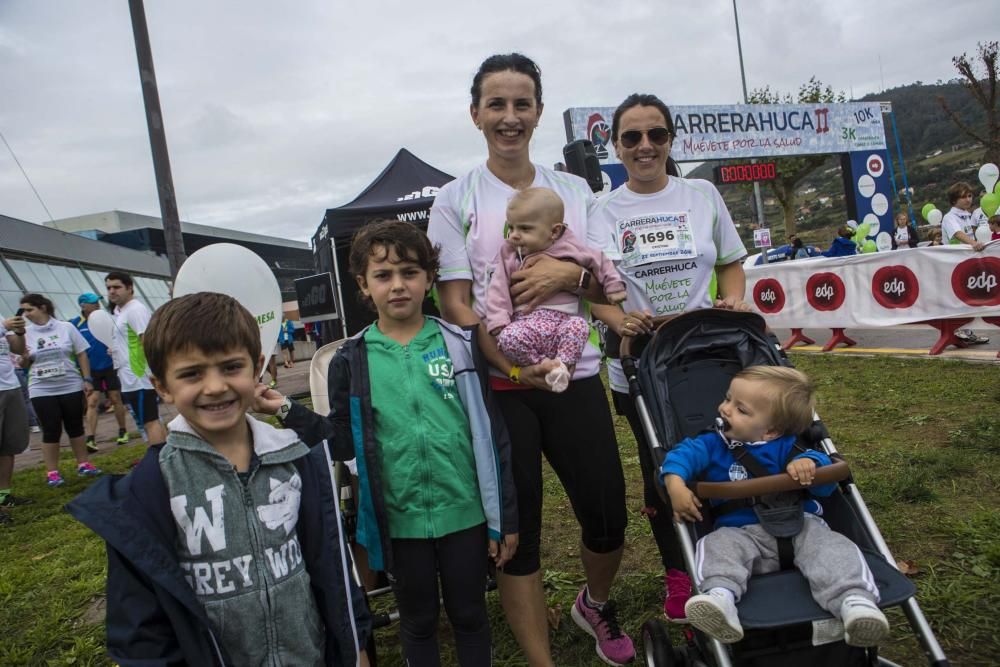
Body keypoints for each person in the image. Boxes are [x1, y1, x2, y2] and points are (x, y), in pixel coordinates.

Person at [427, 53, 634, 666]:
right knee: (517, 536)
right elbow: (460, 304)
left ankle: (593, 602)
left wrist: (564, 273)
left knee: (607, 516)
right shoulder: (454, 198)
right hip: (503, 386)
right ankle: (541, 661)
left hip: (576, 378)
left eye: (522, 104)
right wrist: (515, 367)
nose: (510, 117)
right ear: (476, 114)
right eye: (497, 104)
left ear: (539, 112)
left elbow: (604, 287)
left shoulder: (574, 190)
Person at [257, 220, 517, 666]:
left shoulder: (460, 344)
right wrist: (287, 409)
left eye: (410, 272)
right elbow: (341, 442)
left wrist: (503, 518)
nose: (398, 285)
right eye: (383, 275)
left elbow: (493, 436)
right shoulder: (349, 360)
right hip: (399, 522)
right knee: (417, 622)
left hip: (466, 515)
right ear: (363, 284)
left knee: (470, 614)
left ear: (429, 278)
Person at [66, 291, 371, 666]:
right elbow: (141, 633)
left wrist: (355, 647)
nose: (214, 386)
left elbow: (335, 571)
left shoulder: (298, 459)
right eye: (192, 373)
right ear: (161, 385)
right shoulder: (149, 490)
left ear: (256, 366)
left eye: (230, 367)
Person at [587, 92, 748, 624]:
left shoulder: (701, 194)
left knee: (732, 453)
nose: (645, 145)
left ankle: (742, 553)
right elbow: (591, 291)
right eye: (631, 137)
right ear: (615, 146)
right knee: (665, 468)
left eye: (656, 134)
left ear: (671, 139)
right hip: (639, 367)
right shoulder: (600, 210)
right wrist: (618, 321)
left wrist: (734, 299)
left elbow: (729, 264)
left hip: (709, 356)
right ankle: (680, 572)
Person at [662, 366, 889, 647]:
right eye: (727, 398)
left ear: (771, 431)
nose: (725, 409)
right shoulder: (711, 444)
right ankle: (720, 597)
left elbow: (825, 484)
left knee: (833, 549)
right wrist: (675, 485)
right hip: (741, 532)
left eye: (741, 409)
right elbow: (680, 456)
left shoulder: (791, 449)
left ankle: (854, 601)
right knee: (718, 546)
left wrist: (811, 467)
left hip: (801, 527)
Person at [486, 187, 626, 392]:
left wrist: (613, 286)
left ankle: (563, 365)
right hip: (526, 322)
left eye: (524, 229)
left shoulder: (571, 248)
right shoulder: (510, 254)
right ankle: (544, 366)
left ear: (554, 231)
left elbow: (600, 260)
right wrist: (498, 319)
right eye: (512, 228)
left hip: (563, 321)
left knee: (579, 327)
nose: (514, 236)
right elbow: (497, 288)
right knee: (509, 338)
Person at [19, 293, 102, 486]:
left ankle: (83, 464)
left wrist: (87, 379)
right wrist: (23, 357)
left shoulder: (66, 327)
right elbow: (23, 363)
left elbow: (81, 354)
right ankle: (53, 472)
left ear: (43, 308)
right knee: (50, 429)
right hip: (42, 389)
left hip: (70, 384)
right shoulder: (26, 332)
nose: (26, 314)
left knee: (75, 426)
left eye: (29, 309)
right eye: (24, 310)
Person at [105, 271, 167, 444]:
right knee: (145, 422)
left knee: (150, 421)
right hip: (129, 378)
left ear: (130, 288)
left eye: (117, 287)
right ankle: (159, 456)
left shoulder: (135, 310)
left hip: (139, 376)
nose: (112, 291)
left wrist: (154, 371)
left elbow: (147, 340)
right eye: (109, 288)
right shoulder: (120, 312)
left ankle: (158, 459)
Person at [69, 293, 130, 452]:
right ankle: (91, 438)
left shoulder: (108, 318)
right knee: (92, 402)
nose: (97, 305)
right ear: (83, 305)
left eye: (97, 302)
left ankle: (123, 431)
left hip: (110, 365)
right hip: (91, 369)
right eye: (92, 303)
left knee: (115, 398)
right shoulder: (75, 324)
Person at [1, 311, 34, 525]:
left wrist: (20, 332)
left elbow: (17, 348)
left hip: (9, 386)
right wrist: (5, 325)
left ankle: (4, 494)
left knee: (8, 444)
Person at [941, 182, 986, 251]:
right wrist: (974, 243)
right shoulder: (949, 217)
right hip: (955, 259)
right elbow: (957, 233)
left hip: (969, 256)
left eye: (969, 196)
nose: (968, 200)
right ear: (953, 200)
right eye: (963, 197)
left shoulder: (968, 215)